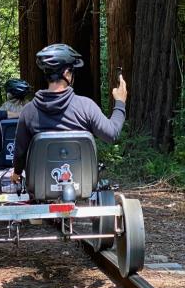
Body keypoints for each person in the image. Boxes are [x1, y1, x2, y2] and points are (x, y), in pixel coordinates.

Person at [11, 43, 127, 183]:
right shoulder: (86, 106)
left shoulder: (29, 111)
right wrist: (120, 102)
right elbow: (112, 134)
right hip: (82, 186)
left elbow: (20, 153)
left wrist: (17, 173)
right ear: (66, 73)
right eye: (72, 71)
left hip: (40, 187)